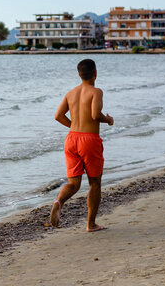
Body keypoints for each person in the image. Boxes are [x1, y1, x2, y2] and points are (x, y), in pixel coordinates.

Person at [51, 59, 114, 232]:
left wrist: (74, 126)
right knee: (94, 183)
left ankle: (59, 202)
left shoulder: (70, 93)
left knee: (73, 183)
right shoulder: (96, 91)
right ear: (95, 73)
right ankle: (91, 224)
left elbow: (58, 116)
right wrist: (108, 120)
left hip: (71, 139)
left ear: (79, 75)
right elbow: (95, 115)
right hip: (89, 140)